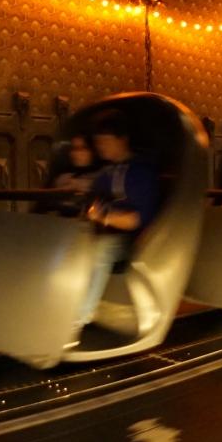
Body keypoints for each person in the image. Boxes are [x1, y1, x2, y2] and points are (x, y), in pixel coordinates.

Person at [72, 109, 161, 344]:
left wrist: (102, 217)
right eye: (98, 142)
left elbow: (137, 220)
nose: (101, 147)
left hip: (136, 238)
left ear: (123, 139)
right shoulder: (107, 172)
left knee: (103, 249)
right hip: (109, 230)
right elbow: (93, 198)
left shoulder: (141, 172)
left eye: (105, 141)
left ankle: (78, 318)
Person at [47, 135, 99, 217]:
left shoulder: (101, 177)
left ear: (92, 151)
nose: (77, 153)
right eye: (74, 149)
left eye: (82, 148)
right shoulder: (62, 178)